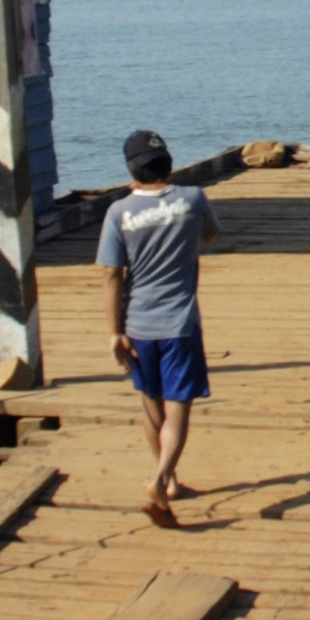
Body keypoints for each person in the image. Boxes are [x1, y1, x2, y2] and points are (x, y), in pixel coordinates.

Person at [98, 129, 221, 527]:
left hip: (138, 323)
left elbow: (112, 275)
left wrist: (115, 331)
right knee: (178, 406)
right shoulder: (192, 199)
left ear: (131, 169)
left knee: (151, 404)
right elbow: (211, 233)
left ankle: (168, 484)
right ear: (168, 163)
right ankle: (161, 479)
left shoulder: (119, 212)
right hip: (180, 322)